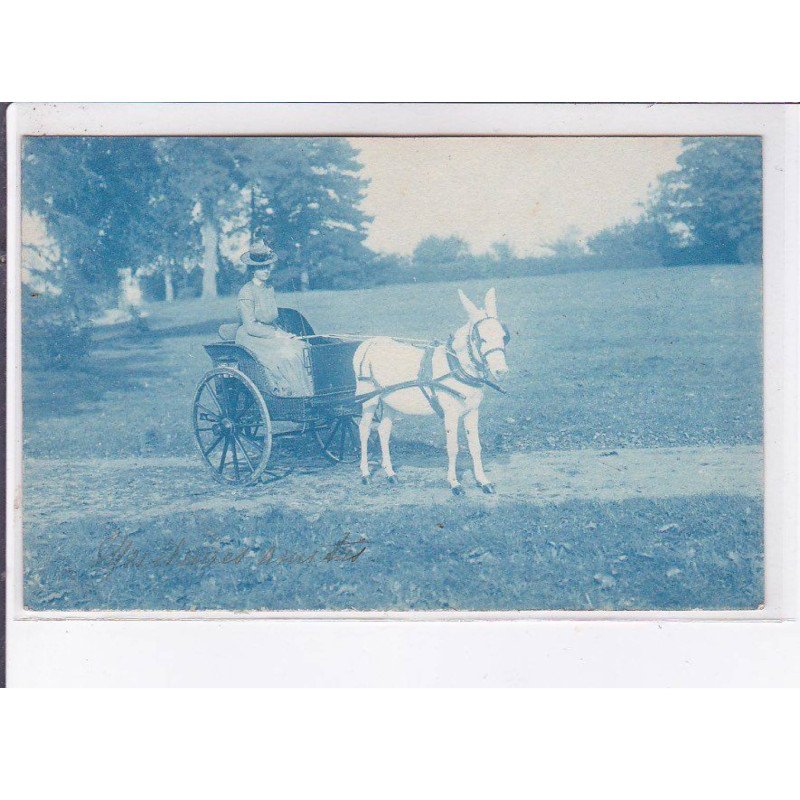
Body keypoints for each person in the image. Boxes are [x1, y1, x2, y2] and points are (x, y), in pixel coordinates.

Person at [236, 241, 313, 397]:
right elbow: (250, 326)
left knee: (301, 347)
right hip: (251, 337)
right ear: (252, 270)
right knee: (288, 356)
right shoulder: (246, 292)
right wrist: (277, 335)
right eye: (261, 267)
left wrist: (283, 333)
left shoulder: (269, 289)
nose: (266, 271)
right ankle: (294, 394)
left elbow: (271, 319)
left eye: (267, 266)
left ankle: (309, 393)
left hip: (270, 332)